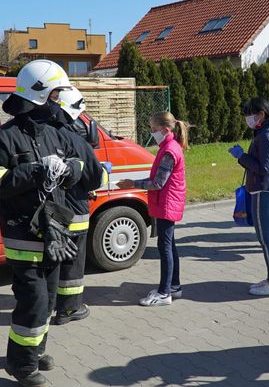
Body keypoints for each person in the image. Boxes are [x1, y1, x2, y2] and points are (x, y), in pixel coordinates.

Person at [0, 60, 88, 387]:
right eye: (57, 94)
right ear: (39, 94)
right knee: (34, 302)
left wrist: (70, 168)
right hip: (24, 237)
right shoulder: (6, 137)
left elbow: (83, 166)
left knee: (50, 298)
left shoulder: (55, 132)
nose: (60, 100)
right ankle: (21, 365)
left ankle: (37, 350)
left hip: (53, 233)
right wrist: (36, 171)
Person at [116, 111, 188, 306]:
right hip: (166, 202)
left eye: (154, 129)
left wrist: (132, 183)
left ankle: (165, 293)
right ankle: (174, 286)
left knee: (165, 248)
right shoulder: (168, 146)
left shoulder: (169, 151)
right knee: (170, 246)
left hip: (166, 203)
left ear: (165, 129)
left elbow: (157, 183)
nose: (151, 132)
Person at [51, 87, 109, 325]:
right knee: (73, 262)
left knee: (52, 260)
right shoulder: (75, 140)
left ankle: (48, 303)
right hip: (73, 211)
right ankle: (69, 309)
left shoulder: (40, 134)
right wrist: (104, 172)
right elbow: (96, 178)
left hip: (48, 213)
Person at [229, 98, 269, 296]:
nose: (247, 119)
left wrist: (241, 156)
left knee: (266, 239)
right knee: (265, 238)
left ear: (261, 114)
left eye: (249, 114)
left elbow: (264, 168)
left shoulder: (267, 136)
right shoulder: (264, 132)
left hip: (264, 190)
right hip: (264, 189)